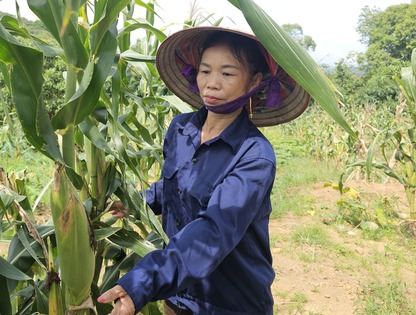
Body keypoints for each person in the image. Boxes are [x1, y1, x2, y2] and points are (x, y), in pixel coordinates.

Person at [97, 26, 311, 314]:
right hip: (178, 295)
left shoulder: (254, 155)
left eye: (227, 73)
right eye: (205, 71)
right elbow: (174, 187)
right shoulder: (181, 129)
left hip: (229, 303)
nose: (211, 83)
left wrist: (146, 280)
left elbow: (214, 230)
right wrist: (139, 200)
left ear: (254, 81)